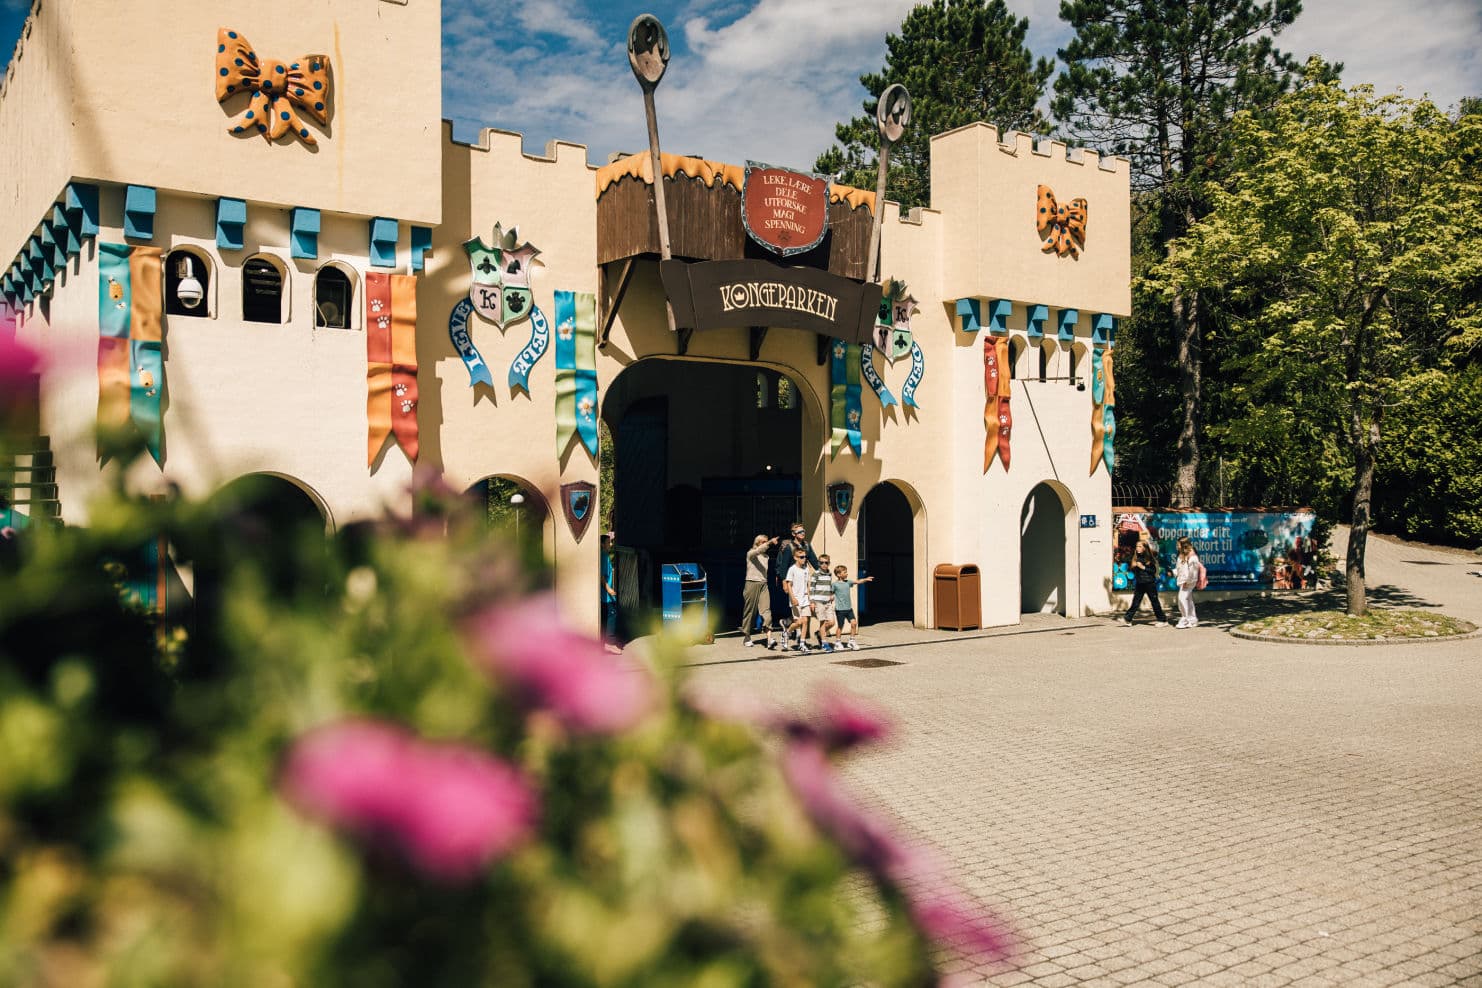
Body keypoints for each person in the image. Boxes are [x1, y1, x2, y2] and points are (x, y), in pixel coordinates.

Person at [1120, 540, 1168, 626]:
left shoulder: (1149, 558)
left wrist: (1143, 567)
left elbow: (1153, 570)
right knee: (1135, 601)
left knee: (1154, 601)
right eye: (1137, 546)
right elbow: (1132, 568)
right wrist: (1133, 566)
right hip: (1140, 583)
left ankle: (1162, 620)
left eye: (1140, 546)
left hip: (1149, 583)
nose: (1137, 548)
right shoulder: (1136, 557)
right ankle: (1128, 619)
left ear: (1144, 548)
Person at [741, 533, 776, 649]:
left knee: (766, 611)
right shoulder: (750, 553)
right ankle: (747, 636)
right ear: (757, 543)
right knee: (750, 611)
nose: (766, 545)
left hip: (763, 584)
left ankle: (769, 639)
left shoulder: (766, 557)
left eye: (766, 542)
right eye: (763, 542)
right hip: (751, 583)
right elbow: (757, 551)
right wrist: (770, 542)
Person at [830, 564, 873, 650]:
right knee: (840, 626)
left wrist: (865, 579)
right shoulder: (835, 585)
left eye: (846, 572)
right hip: (840, 609)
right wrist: (831, 597)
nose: (847, 574)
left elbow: (858, 581)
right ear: (838, 574)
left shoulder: (848, 582)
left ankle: (852, 641)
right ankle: (838, 642)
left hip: (849, 609)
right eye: (844, 572)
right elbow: (831, 593)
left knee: (854, 623)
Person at [783, 548, 814, 653]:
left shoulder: (806, 569)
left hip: (805, 599)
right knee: (799, 622)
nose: (804, 559)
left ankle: (802, 644)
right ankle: (787, 632)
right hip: (795, 599)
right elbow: (789, 584)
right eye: (801, 557)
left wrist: (810, 599)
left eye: (805, 557)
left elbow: (808, 584)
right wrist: (793, 598)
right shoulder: (792, 569)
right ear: (795, 557)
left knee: (805, 621)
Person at [809, 552, 837, 651]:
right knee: (822, 621)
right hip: (818, 601)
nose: (824, 565)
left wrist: (831, 594)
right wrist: (812, 602)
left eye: (826, 562)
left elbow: (829, 586)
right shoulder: (815, 574)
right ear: (818, 563)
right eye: (821, 563)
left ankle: (819, 633)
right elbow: (811, 588)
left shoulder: (829, 574)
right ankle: (825, 644)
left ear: (829, 563)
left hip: (827, 601)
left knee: (832, 622)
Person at [1174, 536, 1201, 628]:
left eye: (1178, 544)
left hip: (1188, 581)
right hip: (1184, 580)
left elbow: (1193, 571)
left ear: (1183, 545)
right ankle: (1192, 619)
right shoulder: (1182, 554)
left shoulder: (1192, 556)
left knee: (1182, 599)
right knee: (1188, 600)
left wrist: (1187, 581)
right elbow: (1180, 567)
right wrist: (1175, 572)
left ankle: (1185, 619)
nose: (1177, 546)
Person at [600, 532, 619, 650]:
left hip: (607, 595)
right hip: (606, 595)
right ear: (602, 544)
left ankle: (607, 643)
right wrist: (608, 588)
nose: (610, 544)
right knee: (610, 616)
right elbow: (601, 575)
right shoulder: (603, 556)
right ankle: (609, 643)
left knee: (609, 616)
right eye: (608, 542)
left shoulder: (605, 555)